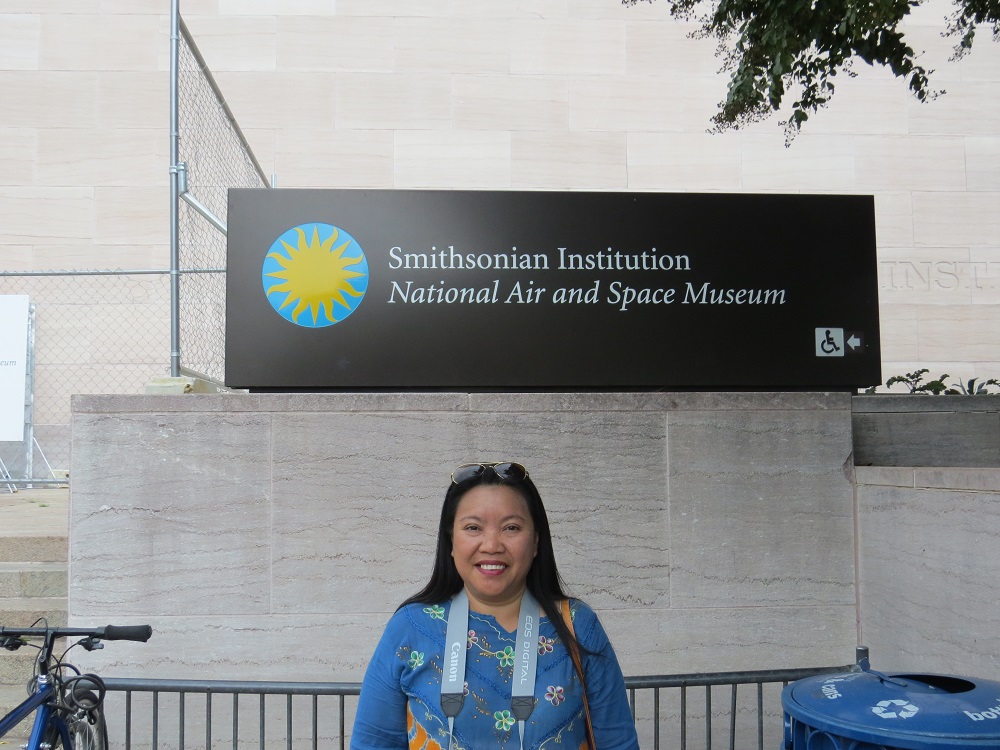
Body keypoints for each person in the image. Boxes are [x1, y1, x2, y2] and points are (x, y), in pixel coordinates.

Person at [352, 461, 640, 750]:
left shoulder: (577, 625)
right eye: (473, 527)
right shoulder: (411, 628)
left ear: (536, 541)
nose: (491, 545)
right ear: (451, 540)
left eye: (511, 527)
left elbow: (619, 744)